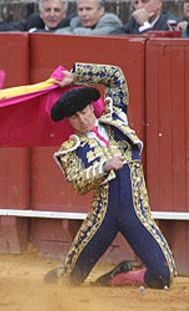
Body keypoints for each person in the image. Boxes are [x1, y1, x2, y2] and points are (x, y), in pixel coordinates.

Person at [44, 62, 176, 289]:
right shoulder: (70, 148)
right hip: (102, 218)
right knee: (69, 282)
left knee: (163, 275)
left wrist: (76, 76)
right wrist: (104, 167)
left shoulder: (116, 119)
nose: (82, 119)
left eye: (84, 112)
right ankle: (62, 272)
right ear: (68, 121)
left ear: (91, 107)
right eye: (74, 117)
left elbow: (115, 76)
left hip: (136, 212)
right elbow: (77, 182)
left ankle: (121, 277)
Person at [111, 0, 179, 35]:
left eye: (145, 1)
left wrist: (145, 24)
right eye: (136, 2)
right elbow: (114, 34)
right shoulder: (134, 21)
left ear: (159, 4)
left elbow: (156, 48)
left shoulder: (169, 23)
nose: (139, 6)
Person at [55, 0, 122, 35]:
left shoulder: (111, 22)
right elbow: (58, 33)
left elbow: (91, 36)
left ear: (101, 11)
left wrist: (75, 32)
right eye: (80, 10)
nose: (84, 14)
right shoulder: (76, 23)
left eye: (88, 9)